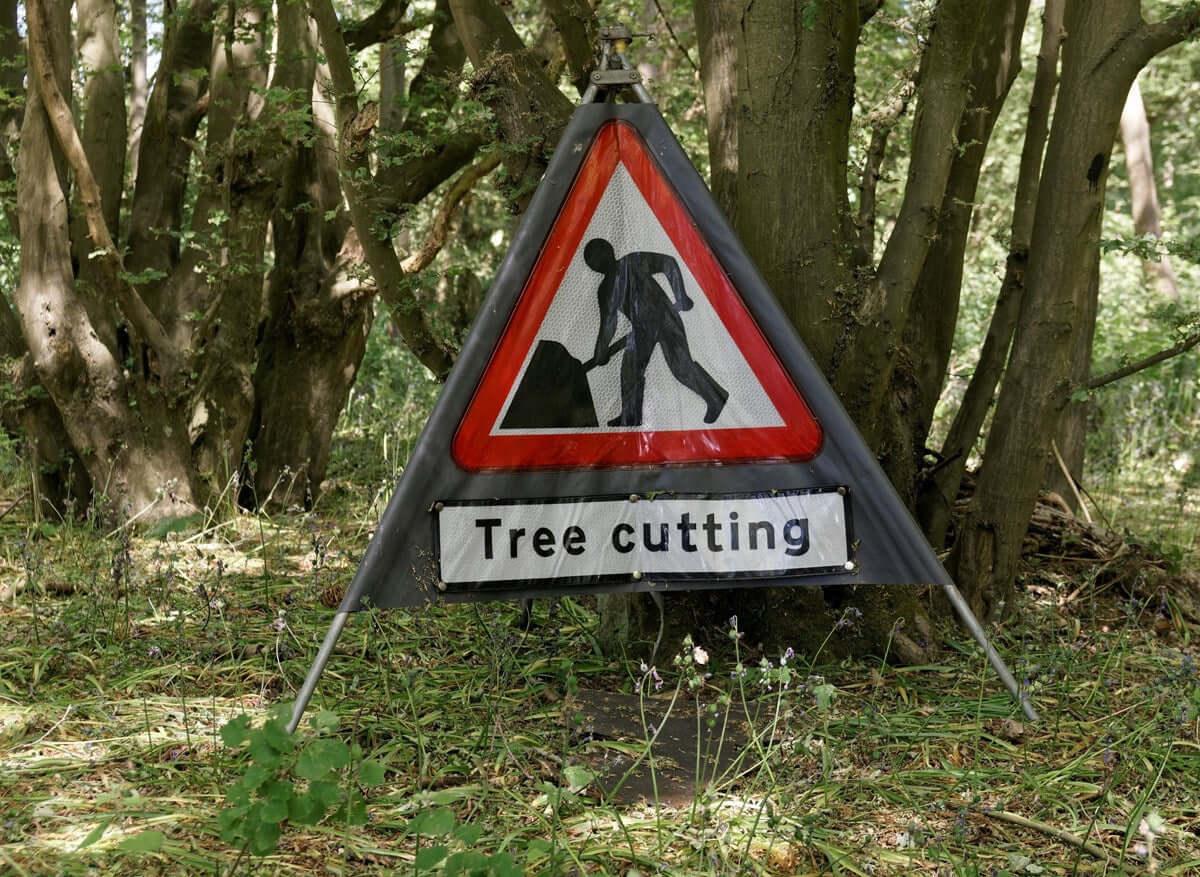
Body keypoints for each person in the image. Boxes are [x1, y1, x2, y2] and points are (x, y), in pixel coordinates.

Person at [584, 237, 728, 426]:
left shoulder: (633, 262)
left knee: (681, 368)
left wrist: (680, 296)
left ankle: (715, 398)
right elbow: (608, 324)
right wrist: (600, 351)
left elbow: (668, 263)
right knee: (630, 369)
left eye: (598, 256)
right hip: (642, 330)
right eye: (594, 259)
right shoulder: (606, 289)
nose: (598, 261)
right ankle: (631, 415)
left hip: (665, 319)